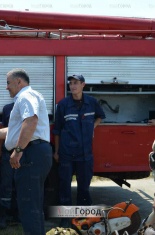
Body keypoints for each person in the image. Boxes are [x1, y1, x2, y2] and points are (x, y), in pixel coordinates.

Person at [0, 68, 52, 235]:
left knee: (28, 206)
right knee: (32, 205)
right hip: (35, 152)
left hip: (31, 153)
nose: (6, 87)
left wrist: (19, 150)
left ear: (19, 82)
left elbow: (31, 121)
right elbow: (15, 131)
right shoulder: (26, 97)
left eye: (8, 83)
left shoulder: (26, 96)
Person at [52, 74, 105, 227]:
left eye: (76, 83)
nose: (72, 86)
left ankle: (84, 219)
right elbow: (57, 130)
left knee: (84, 187)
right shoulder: (63, 105)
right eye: (70, 83)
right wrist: (56, 152)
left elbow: (100, 116)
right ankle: (66, 220)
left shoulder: (92, 102)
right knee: (64, 187)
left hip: (85, 154)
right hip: (67, 153)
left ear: (83, 85)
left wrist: (92, 127)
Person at [0, 102, 19, 230]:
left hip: (22, 153)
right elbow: (3, 130)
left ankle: (17, 215)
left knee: (20, 184)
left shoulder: (28, 106)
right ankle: (3, 216)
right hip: (6, 153)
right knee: (6, 185)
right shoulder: (7, 108)